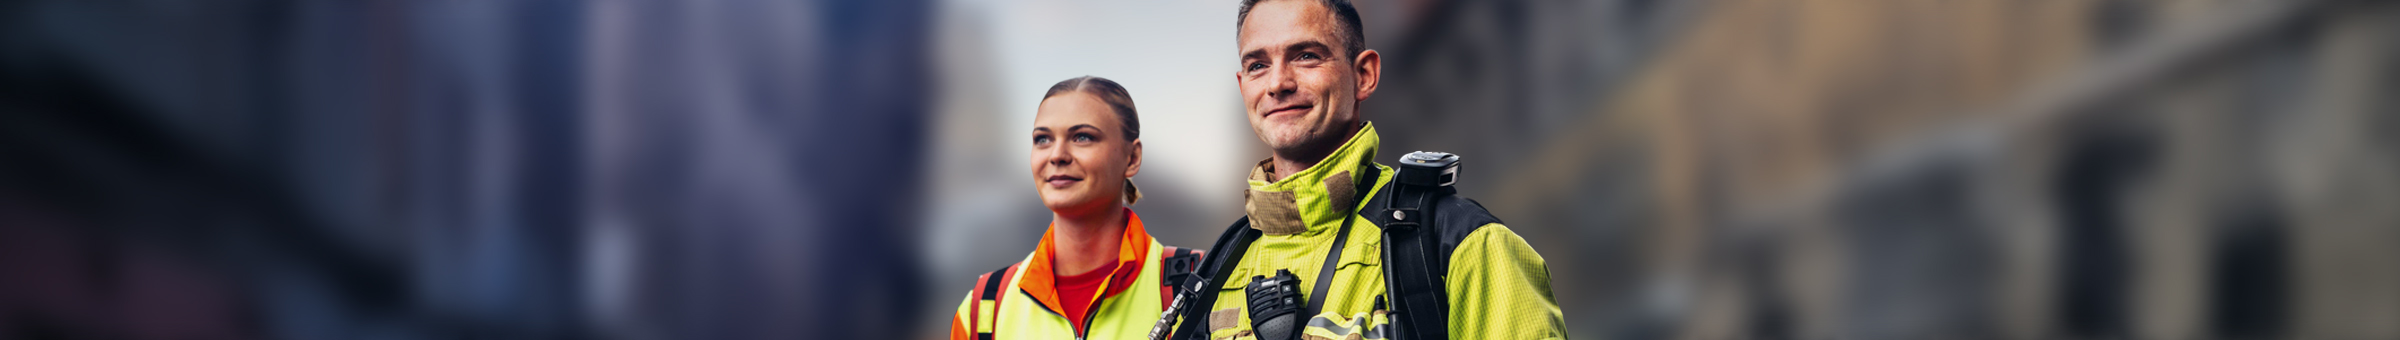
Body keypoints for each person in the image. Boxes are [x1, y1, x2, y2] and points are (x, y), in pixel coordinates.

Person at [1161, 0, 1566, 339]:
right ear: (1243, 85)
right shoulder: (1220, 268)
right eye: (1257, 65)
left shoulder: (1458, 243)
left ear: (1364, 75)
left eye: (1305, 56)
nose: (1277, 83)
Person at [949, 76, 1209, 340]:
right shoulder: (983, 308)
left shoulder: (1205, 280)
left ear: (1132, 158)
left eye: (1082, 137)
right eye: (1042, 139)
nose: (1057, 155)